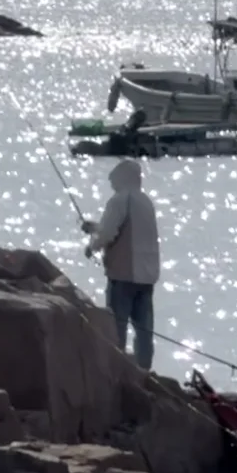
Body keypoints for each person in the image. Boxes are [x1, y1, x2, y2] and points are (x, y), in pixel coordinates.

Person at [83, 158, 159, 369]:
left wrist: (92, 247)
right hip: (147, 276)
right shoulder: (145, 202)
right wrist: (95, 228)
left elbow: (109, 233)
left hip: (123, 275)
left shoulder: (119, 200)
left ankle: (118, 370)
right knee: (144, 330)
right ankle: (144, 370)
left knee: (117, 327)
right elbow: (125, 229)